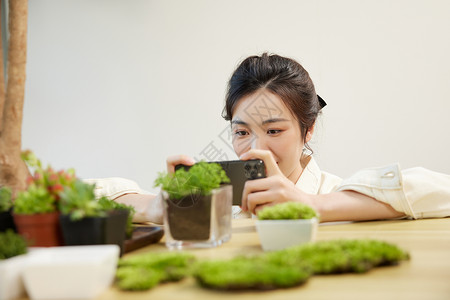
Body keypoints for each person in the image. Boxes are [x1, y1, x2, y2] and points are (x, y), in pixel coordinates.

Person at [86, 53, 450, 224]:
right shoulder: (218, 211)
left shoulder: (340, 198)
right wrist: (154, 208)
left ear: (308, 130)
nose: (255, 148)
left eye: (274, 131)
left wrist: (311, 205)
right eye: (241, 132)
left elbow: (438, 190)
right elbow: (79, 194)